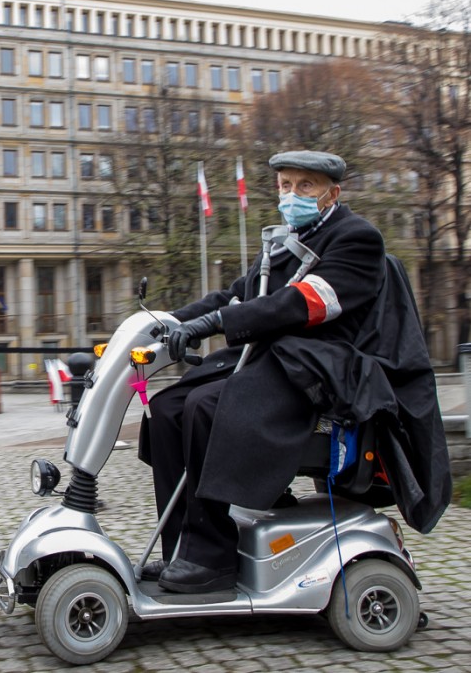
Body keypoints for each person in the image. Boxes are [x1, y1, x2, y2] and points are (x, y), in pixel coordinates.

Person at [137, 150, 392, 594]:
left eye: (305, 185)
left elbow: (301, 303)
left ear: (333, 193)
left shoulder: (356, 238)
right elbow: (238, 295)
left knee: (205, 406)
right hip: (275, 362)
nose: (292, 194)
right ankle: (182, 549)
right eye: (285, 185)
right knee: (167, 408)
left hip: (318, 371)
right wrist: (169, 322)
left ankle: (212, 557)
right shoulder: (285, 241)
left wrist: (214, 325)